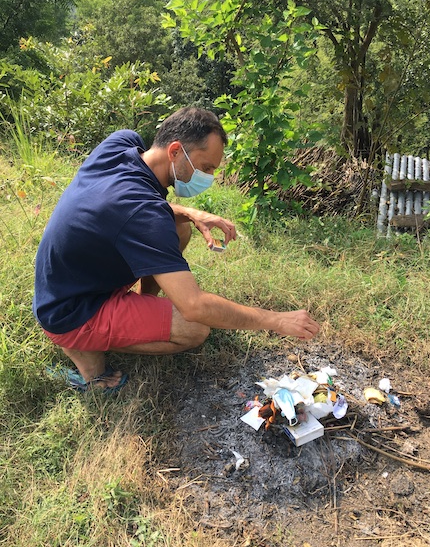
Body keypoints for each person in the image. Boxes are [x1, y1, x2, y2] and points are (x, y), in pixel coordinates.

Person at [33, 107, 320, 390]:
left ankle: (139, 307)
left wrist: (191, 213)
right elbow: (194, 306)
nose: (208, 177)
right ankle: (85, 348)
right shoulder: (145, 215)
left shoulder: (122, 143)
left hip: (70, 278)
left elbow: (124, 205)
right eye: (206, 167)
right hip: (71, 310)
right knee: (194, 329)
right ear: (174, 151)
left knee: (179, 228)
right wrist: (275, 319)